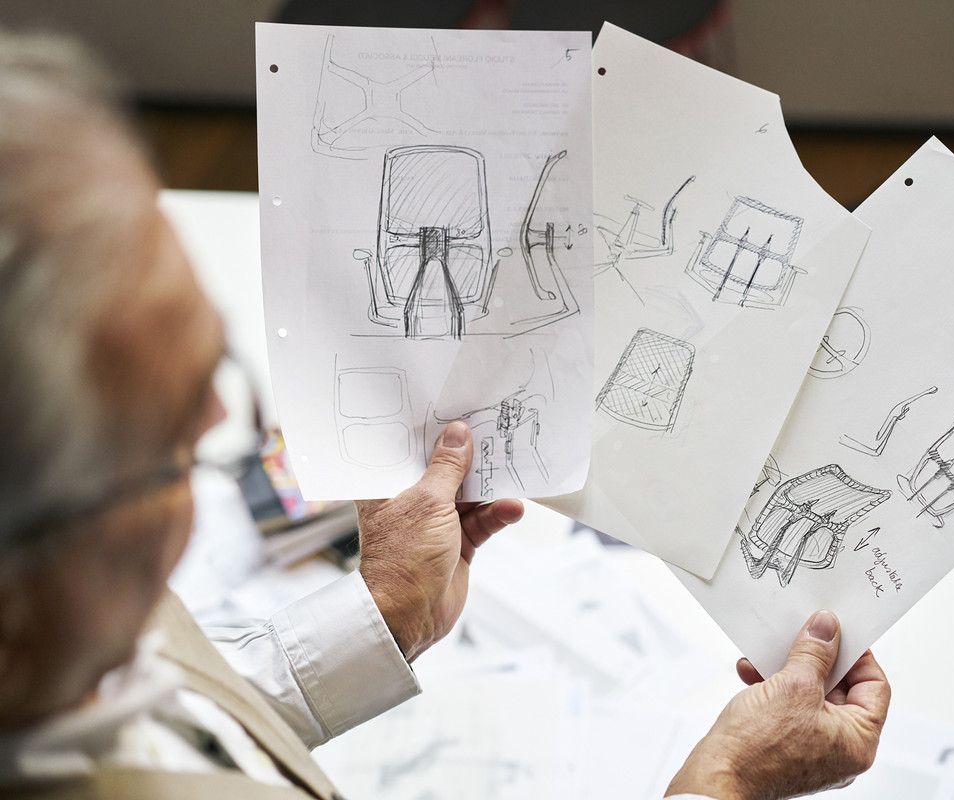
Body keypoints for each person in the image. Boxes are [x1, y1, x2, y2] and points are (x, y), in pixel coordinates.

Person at [0, 29, 890, 800]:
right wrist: (726, 781)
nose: (217, 416)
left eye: (214, 361)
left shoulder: (56, 661)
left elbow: (175, 704)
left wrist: (386, 612)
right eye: (168, 444)